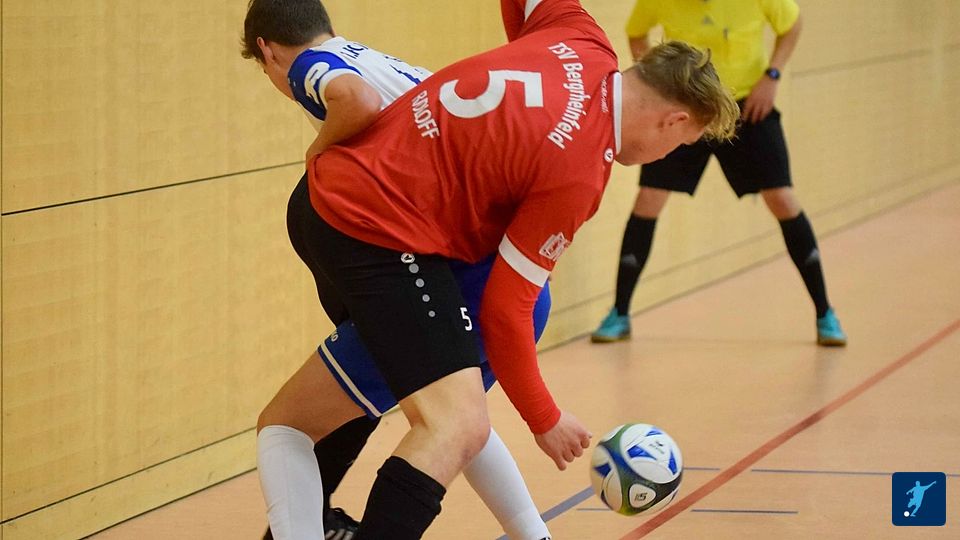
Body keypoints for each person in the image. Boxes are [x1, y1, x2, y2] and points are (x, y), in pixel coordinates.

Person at [256, 0, 738, 538]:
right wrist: (545, 417)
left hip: (340, 205)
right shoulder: (579, 170)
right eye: (679, 143)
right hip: (375, 228)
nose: (667, 154)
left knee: (324, 416)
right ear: (675, 120)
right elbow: (506, 309)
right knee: (452, 424)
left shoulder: (581, 36)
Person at [241, 1, 553, 538]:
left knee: (284, 426)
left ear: (267, 51)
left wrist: (319, 148)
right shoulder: (386, 62)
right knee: (458, 422)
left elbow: (354, 99)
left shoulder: (308, 65)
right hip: (507, 284)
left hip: (450, 290)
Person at [591, 0, 847, 347]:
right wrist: (657, 90)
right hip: (685, 109)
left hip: (748, 106)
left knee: (782, 199)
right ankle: (619, 313)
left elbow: (792, 24)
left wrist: (772, 75)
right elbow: (636, 33)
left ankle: (824, 313)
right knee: (648, 198)